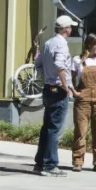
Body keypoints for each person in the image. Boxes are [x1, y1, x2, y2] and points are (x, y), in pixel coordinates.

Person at [34, 15, 76, 177]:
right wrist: (65, 86)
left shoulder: (48, 43)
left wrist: (48, 77)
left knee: (47, 127)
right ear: (66, 29)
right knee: (54, 128)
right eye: (70, 27)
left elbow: (38, 64)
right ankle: (50, 165)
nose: (71, 30)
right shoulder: (62, 44)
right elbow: (60, 65)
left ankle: (40, 163)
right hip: (58, 90)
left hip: (47, 88)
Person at [71, 33, 96, 172]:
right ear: (89, 45)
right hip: (83, 99)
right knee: (80, 132)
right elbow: (71, 78)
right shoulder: (77, 60)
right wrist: (74, 92)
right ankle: (78, 161)